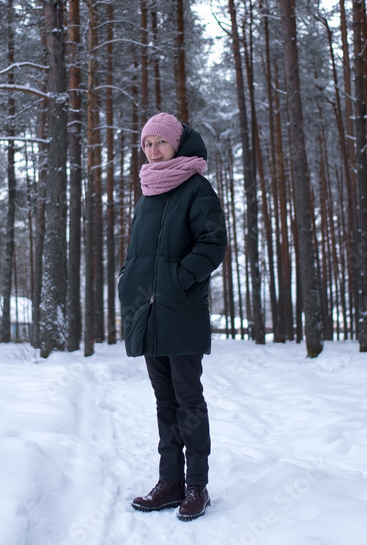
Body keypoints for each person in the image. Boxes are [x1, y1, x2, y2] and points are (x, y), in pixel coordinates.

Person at [119, 112, 228, 521]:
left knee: (189, 401)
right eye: (147, 144)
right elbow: (136, 255)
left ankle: (196, 485)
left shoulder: (197, 189)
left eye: (160, 143)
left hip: (180, 311)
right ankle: (170, 482)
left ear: (176, 145)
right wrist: (127, 282)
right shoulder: (147, 193)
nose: (153, 151)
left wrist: (178, 280)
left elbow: (213, 243)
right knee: (164, 402)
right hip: (147, 313)